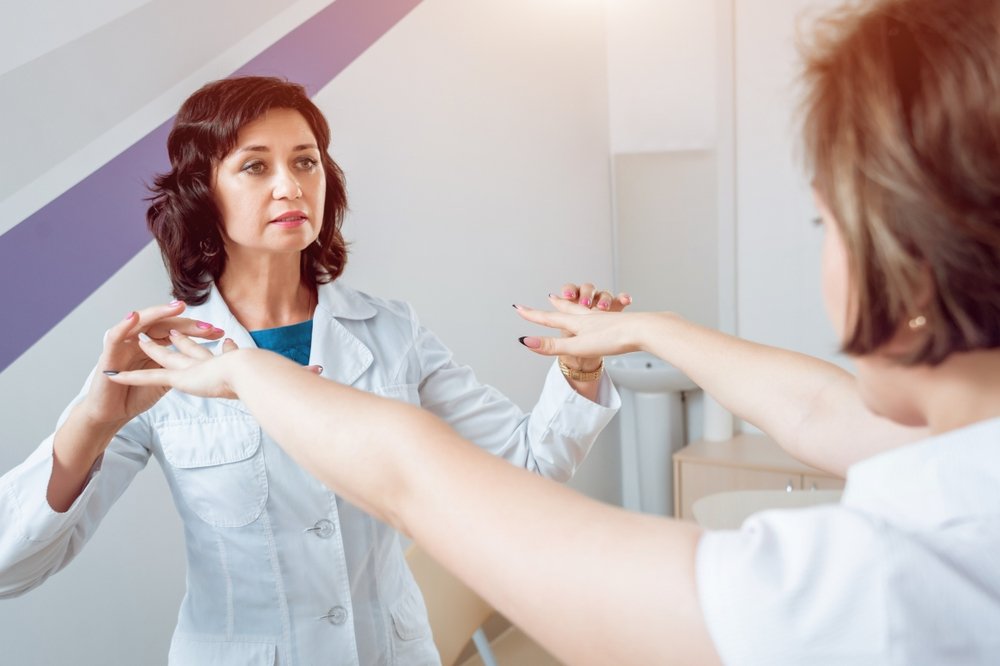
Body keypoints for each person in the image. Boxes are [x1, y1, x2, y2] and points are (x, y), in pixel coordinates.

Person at [106, 0, 1000, 663]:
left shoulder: (887, 585)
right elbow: (818, 409)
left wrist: (250, 374)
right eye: (254, 167)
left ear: (912, 262)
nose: (287, 186)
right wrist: (651, 329)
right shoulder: (964, 471)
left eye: (823, 224)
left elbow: (430, 482)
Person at [0, 76, 628, 664]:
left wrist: (579, 367)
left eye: (305, 161)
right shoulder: (161, 354)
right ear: (201, 193)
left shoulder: (391, 332)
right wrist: (93, 421)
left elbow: (527, 466)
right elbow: (13, 566)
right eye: (255, 166)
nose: (291, 186)